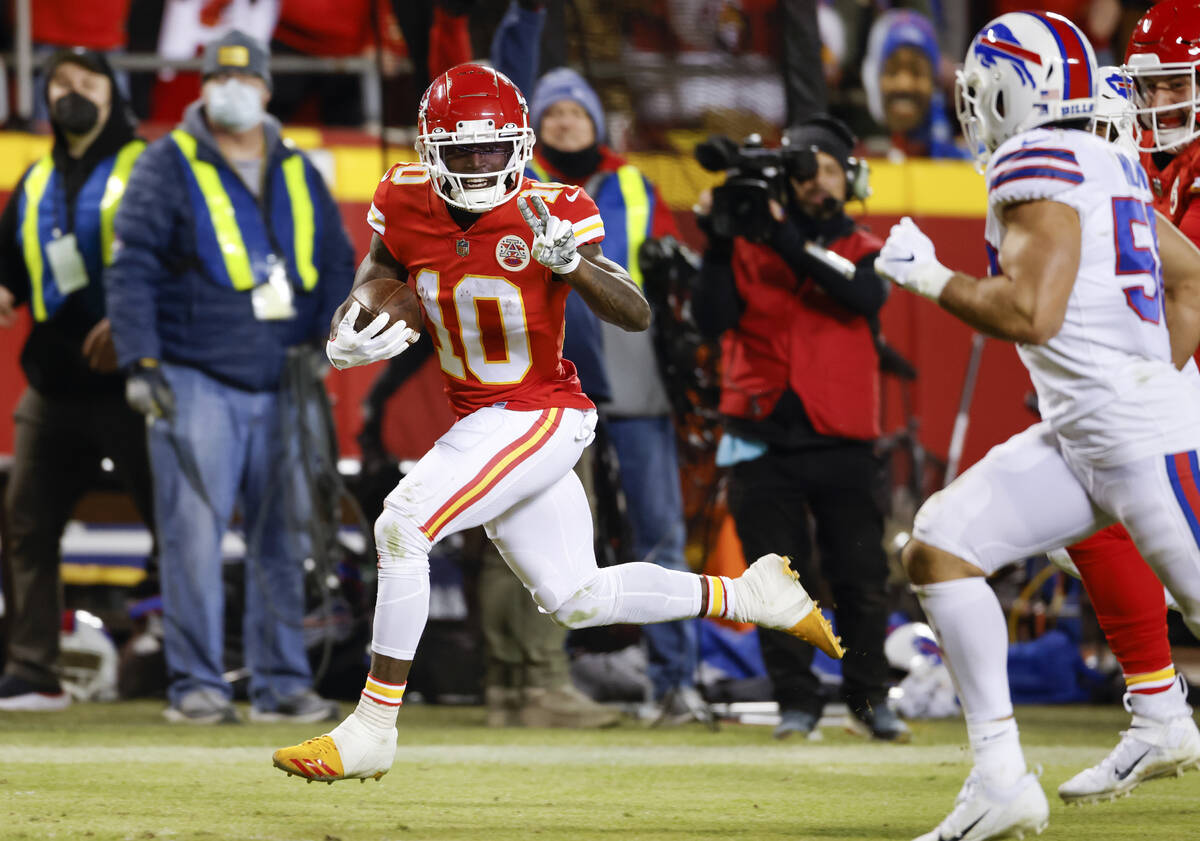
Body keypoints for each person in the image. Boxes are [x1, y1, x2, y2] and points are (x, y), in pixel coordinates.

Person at [272, 62, 842, 783]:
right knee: (579, 597)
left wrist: (573, 264)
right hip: (480, 416)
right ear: (429, 150)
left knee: (401, 523)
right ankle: (751, 593)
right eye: (461, 152)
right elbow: (382, 265)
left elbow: (633, 311)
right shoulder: (404, 195)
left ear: (519, 144)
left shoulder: (554, 207)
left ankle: (373, 727)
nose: (479, 165)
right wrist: (351, 320)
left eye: (491, 149)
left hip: (540, 410)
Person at [874, 12, 1200, 840]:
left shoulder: (1036, 156)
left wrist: (926, 275)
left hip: (1137, 439)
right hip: (1086, 432)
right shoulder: (1112, 158)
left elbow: (1030, 311)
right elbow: (1190, 277)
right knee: (939, 542)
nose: (975, 108)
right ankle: (999, 777)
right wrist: (1157, 368)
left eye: (982, 91)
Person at [106, 30, 353, 724]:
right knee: (192, 539)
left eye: (244, 79)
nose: (231, 89)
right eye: (218, 77)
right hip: (195, 378)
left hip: (288, 377)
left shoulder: (300, 168)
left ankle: (281, 682)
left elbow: (338, 260)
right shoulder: (166, 164)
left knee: (286, 538)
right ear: (203, 86)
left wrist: (328, 340)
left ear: (267, 90)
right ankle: (197, 686)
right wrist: (141, 361)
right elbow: (132, 269)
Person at [691, 114, 902, 741]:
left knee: (861, 579)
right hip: (761, 435)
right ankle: (797, 704)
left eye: (829, 168)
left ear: (850, 177)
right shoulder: (749, 245)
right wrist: (721, 242)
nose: (816, 182)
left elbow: (864, 298)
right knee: (774, 583)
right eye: (804, 169)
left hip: (843, 437)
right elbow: (710, 318)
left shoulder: (864, 245)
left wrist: (782, 238)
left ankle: (871, 703)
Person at [523, 67, 709, 723]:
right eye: (553, 113)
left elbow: (660, 274)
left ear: (597, 122)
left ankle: (673, 680)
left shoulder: (634, 182)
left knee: (659, 528)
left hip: (632, 370)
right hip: (550, 373)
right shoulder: (516, 181)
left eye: (576, 111)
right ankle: (548, 677)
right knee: (553, 532)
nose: (565, 121)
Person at [1049, 57, 1200, 805]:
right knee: (1075, 505)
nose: (1159, 102)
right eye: (1151, 85)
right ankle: (1160, 710)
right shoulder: (1152, 161)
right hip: (1172, 395)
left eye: (1176, 84)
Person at [0, 48, 152, 711]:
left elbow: (177, 260)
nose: (72, 92)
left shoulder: (150, 168)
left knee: (178, 525)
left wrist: (133, 327)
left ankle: (195, 663)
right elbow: (12, 260)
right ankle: (33, 669)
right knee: (26, 524)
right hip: (55, 381)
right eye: (61, 81)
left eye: (88, 82)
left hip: (136, 380)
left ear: (114, 94)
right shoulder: (33, 179)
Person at [860, 9, 969, 160]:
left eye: (917, 72)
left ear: (935, 80)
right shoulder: (860, 160)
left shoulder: (969, 161)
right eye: (892, 72)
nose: (904, 85)